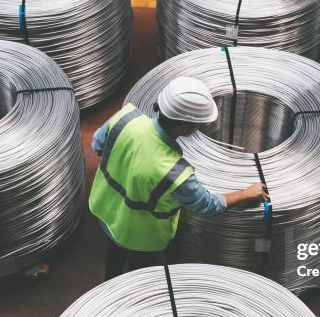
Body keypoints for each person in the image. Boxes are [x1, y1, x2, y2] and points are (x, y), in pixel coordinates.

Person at [89, 77, 269, 280]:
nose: (200, 127)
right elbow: (208, 205)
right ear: (184, 127)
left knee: (115, 254)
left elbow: (97, 143)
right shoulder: (175, 172)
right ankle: (132, 298)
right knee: (139, 273)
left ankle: (109, 282)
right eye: (198, 124)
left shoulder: (126, 117)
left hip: (107, 212)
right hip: (140, 237)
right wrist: (248, 193)